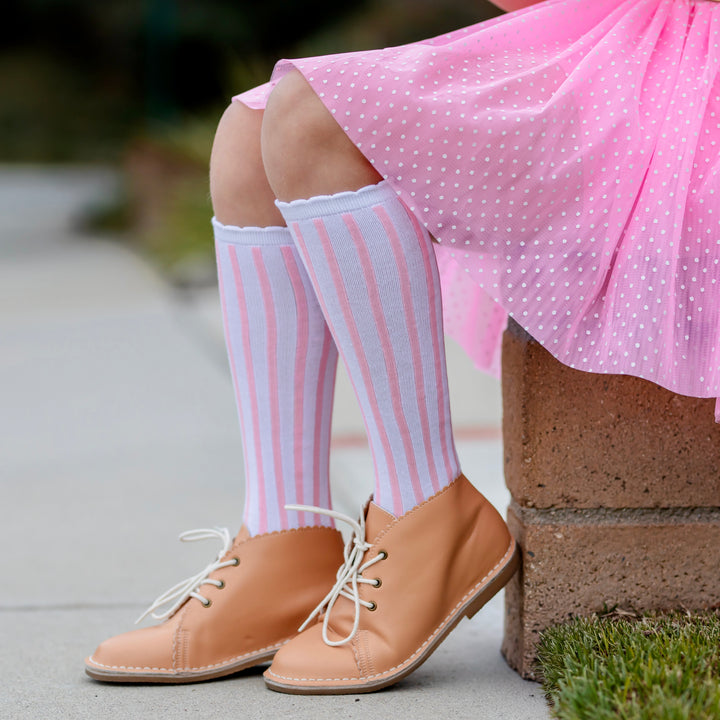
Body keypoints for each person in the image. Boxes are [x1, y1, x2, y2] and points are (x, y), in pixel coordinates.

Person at [85, 0, 720, 694]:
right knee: (252, 131)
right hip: (622, 35)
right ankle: (282, 538)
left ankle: (427, 509)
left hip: (686, 69)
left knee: (312, 119)